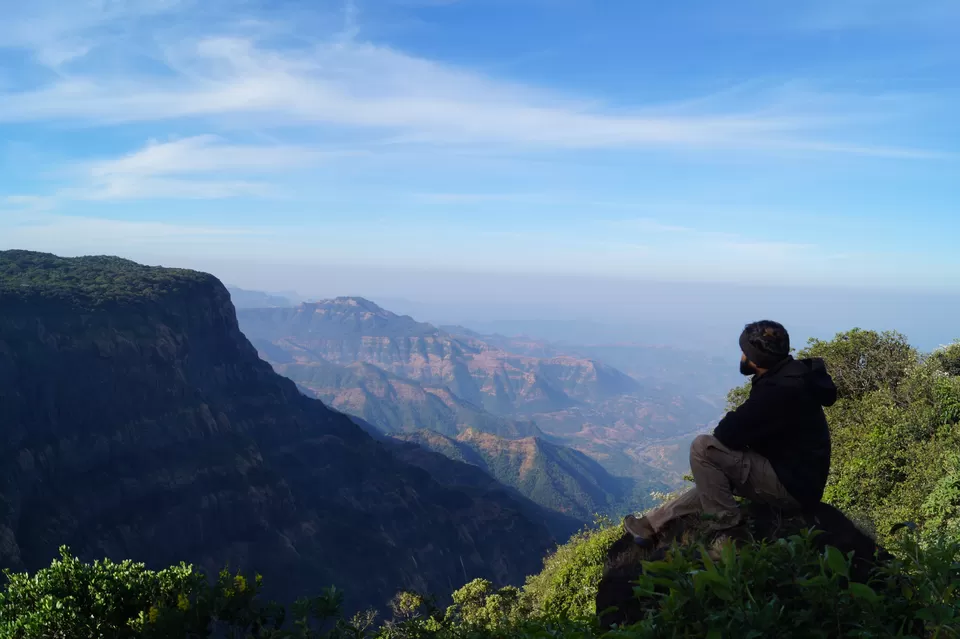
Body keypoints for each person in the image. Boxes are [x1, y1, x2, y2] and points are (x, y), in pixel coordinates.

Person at [623, 320, 837, 548]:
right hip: (798, 477)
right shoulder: (792, 375)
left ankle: (727, 533)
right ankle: (653, 524)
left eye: (744, 352)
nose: (742, 357)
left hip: (791, 485)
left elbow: (726, 433)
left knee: (703, 448)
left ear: (756, 359)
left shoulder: (779, 391)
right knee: (712, 483)